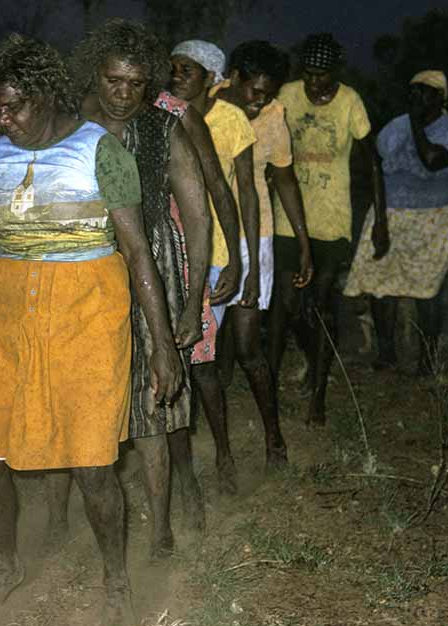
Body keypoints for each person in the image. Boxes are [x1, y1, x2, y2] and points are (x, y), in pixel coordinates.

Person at [0, 35, 182, 626]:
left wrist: (163, 344)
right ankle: (6, 567)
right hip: (13, 312)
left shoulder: (100, 150)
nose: (4, 118)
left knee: (93, 464)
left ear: (44, 96)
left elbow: (138, 251)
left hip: (88, 312)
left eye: (14, 106)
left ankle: (115, 581)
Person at [46, 18, 212, 557]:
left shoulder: (163, 129)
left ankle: (160, 530)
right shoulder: (65, 128)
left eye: (136, 84)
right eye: (114, 81)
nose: (123, 95)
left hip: (152, 269)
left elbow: (196, 215)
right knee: (74, 395)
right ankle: (59, 524)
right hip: (80, 270)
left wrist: (191, 302)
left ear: (150, 83)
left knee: (153, 404)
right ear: (95, 75)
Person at [269, 33, 387, 425]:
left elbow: (374, 161)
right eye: (308, 73)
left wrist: (381, 219)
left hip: (332, 220)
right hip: (289, 216)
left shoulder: (350, 102)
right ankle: (310, 359)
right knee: (287, 305)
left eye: (321, 75)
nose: (313, 82)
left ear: (335, 72)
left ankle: (318, 393)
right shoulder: (287, 93)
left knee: (319, 306)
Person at [212, 40, 314, 471]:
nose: (262, 100)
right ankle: (219, 449)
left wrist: (305, 243)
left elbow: (285, 181)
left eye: (269, 93)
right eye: (255, 91)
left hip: (257, 238)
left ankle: (274, 438)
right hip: (206, 239)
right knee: (207, 350)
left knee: (249, 345)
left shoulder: (273, 118)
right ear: (232, 78)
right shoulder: (204, 105)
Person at [167, 39, 261, 494]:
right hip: (168, 252)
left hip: (214, 252)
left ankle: (223, 453)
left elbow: (239, 191)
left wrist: (242, 262)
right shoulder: (156, 114)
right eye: (173, 68)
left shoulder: (229, 120)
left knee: (203, 360)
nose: (177, 76)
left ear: (211, 78)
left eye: (187, 70)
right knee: (172, 360)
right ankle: (180, 466)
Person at [344, 71, 448, 375]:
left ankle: (426, 363)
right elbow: (377, 165)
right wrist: (380, 221)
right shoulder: (395, 127)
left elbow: (432, 160)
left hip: (435, 218)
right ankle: (386, 355)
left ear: (441, 97)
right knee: (380, 282)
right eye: (413, 91)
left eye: (425, 92)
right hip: (393, 211)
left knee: (428, 288)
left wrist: (415, 120)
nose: (417, 97)